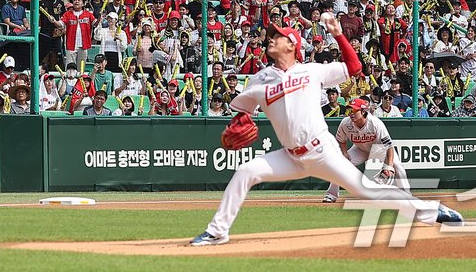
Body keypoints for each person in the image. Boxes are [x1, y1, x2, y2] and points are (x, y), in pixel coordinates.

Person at [190, 14, 461, 246]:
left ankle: (432, 210)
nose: (271, 38)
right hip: (290, 156)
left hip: (322, 151)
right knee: (246, 171)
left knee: (368, 191)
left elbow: (354, 67)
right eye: (271, 35)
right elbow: (243, 107)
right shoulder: (259, 79)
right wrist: (239, 121)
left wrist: (339, 35)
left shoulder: (312, 71)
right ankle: (217, 232)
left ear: (292, 45)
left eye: (278, 35)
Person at [323, 97, 408, 203]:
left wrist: (389, 166)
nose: (351, 113)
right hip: (360, 149)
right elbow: (341, 140)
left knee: (398, 166)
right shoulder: (345, 123)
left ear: (363, 111)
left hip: (379, 149)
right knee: (339, 165)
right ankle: (332, 194)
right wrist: (344, 152)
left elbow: (389, 146)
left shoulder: (375, 123)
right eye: (350, 110)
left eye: (354, 110)